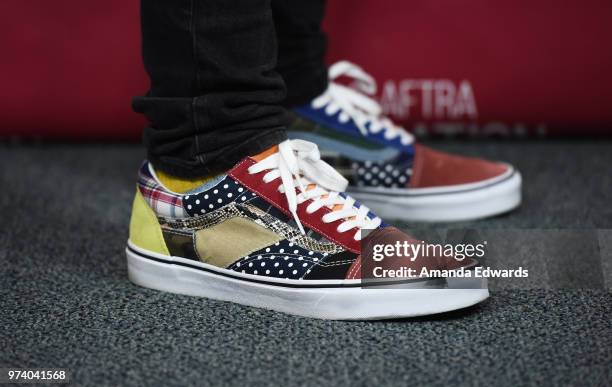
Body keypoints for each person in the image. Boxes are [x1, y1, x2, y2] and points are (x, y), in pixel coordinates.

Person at [127, 0, 521, 319]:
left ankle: (290, 100)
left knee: (289, 76)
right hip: (209, 152)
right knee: (218, 139)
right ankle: (210, 162)